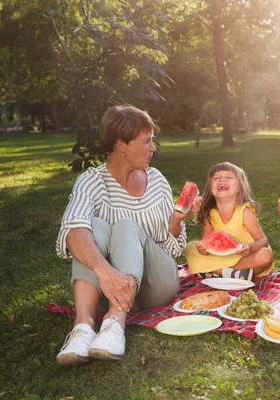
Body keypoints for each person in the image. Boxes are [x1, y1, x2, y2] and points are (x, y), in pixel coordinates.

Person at [55, 105, 201, 367]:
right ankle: (83, 327)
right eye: (146, 142)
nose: (153, 148)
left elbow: (173, 248)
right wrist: (105, 272)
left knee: (125, 225)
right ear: (121, 144)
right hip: (108, 287)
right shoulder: (91, 182)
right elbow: (73, 232)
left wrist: (177, 219)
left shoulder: (157, 181)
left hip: (157, 283)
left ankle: (114, 322)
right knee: (92, 227)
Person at [184, 162, 273, 280]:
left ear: (239, 188)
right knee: (190, 248)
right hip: (224, 258)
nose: (222, 180)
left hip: (248, 257)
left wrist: (250, 247)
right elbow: (205, 243)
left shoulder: (244, 212)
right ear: (211, 188)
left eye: (229, 177)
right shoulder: (210, 214)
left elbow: (263, 240)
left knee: (265, 256)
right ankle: (233, 274)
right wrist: (202, 248)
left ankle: (218, 271)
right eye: (216, 178)